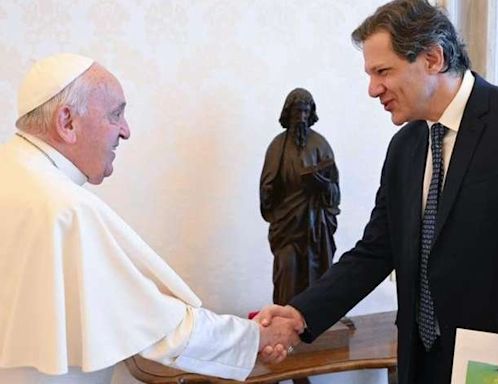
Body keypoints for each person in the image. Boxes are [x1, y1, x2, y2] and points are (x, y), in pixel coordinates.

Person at [0, 53, 301, 384]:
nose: (126, 131)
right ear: (67, 122)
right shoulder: (62, 206)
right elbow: (153, 324)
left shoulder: (14, 173)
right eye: (116, 115)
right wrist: (257, 337)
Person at [256, 1, 498, 383]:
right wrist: (301, 314)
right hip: (417, 360)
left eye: (382, 72)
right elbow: (376, 251)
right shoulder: (405, 147)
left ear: (433, 58)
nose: (373, 89)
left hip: (494, 365)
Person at [260, 88, 340, 305]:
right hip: (287, 224)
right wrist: (273, 196)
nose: (301, 118)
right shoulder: (278, 146)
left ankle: (317, 319)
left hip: (316, 225)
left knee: (319, 272)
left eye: (305, 112)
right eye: (297, 112)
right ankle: (285, 321)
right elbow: (267, 187)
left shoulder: (321, 145)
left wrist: (321, 185)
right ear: (288, 113)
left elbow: (334, 193)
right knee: (288, 270)